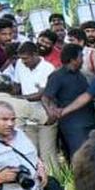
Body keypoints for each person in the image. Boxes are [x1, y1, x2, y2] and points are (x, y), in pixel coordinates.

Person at [42, 44, 95, 159]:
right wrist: (51, 111)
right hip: (73, 125)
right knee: (80, 156)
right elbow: (46, 97)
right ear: (73, 60)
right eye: (81, 56)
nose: (83, 59)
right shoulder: (57, 76)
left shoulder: (81, 74)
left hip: (89, 120)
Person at [12, 42, 60, 170]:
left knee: (47, 155)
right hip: (27, 117)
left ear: (35, 55)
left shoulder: (48, 68)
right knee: (30, 154)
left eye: (25, 58)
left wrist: (20, 99)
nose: (23, 61)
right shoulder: (19, 65)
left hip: (46, 115)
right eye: (21, 58)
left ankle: (56, 183)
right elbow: (17, 86)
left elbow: (43, 94)